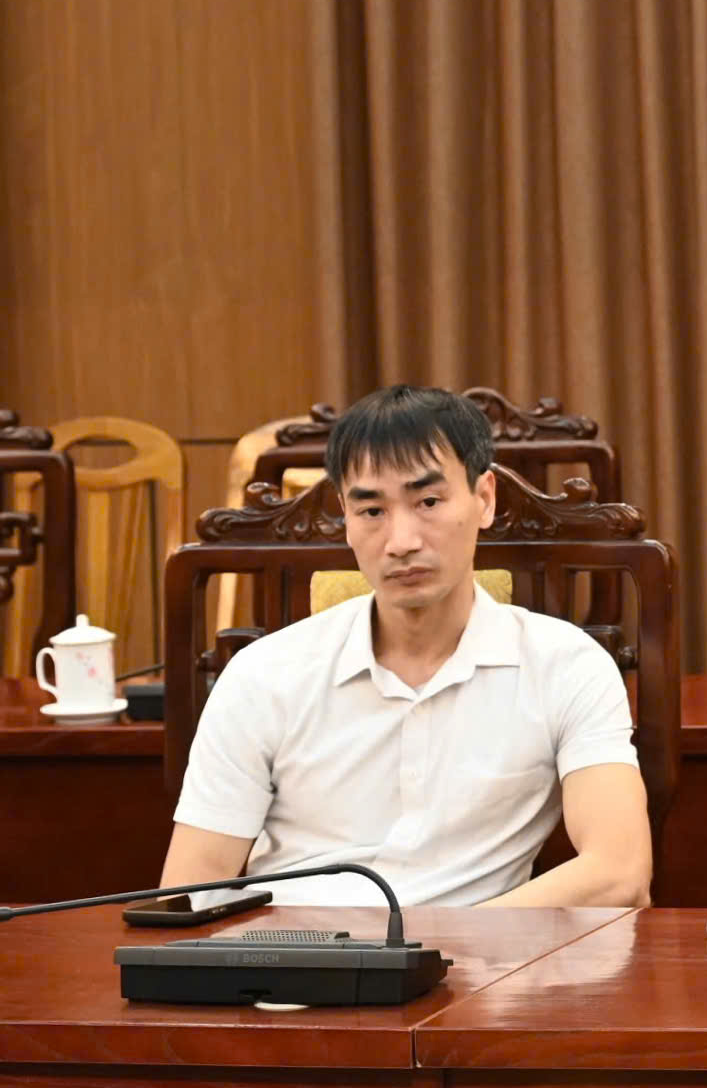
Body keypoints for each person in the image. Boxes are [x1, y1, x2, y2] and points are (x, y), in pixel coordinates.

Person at [160, 385, 652, 907]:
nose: (401, 542)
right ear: (345, 518)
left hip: (479, 952)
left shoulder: (565, 666)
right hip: (290, 948)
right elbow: (190, 891)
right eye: (372, 511)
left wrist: (447, 945)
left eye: (428, 502)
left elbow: (619, 873)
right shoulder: (263, 674)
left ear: (484, 499)